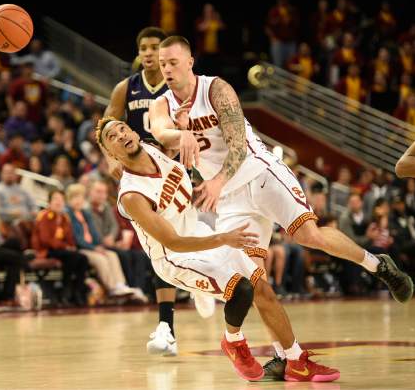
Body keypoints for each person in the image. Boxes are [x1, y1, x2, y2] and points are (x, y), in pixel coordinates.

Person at [149, 35, 414, 378]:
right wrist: (179, 133)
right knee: (255, 281)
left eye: (173, 62)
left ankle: (378, 265)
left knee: (309, 236)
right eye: (162, 64)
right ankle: (287, 357)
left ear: (189, 62)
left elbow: (238, 145)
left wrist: (216, 179)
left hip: (260, 174)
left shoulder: (216, 89)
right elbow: (160, 131)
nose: (167, 69)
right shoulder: (162, 104)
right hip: (229, 200)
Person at [96, 117, 340, 382]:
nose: (120, 135)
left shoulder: (154, 149)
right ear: (111, 154)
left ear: (133, 132)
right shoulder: (132, 195)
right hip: (174, 257)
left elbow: (182, 148)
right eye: (112, 137)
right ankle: (233, 341)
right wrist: (223, 238)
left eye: (122, 129)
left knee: (262, 288)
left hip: (199, 231)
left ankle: (296, 361)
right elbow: (173, 241)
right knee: (241, 289)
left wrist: (184, 130)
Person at [105, 27, 214, 356]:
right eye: (144, 48)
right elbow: (107, 123)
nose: (150, 53)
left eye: (155, 47)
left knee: (180, 236)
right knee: (159, 245)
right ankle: (166, 325)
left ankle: (199, 283)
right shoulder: (126, 87)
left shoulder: (174, 82)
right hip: (140, 170)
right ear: (138, 53)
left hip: (171, 162)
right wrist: (110, 158)